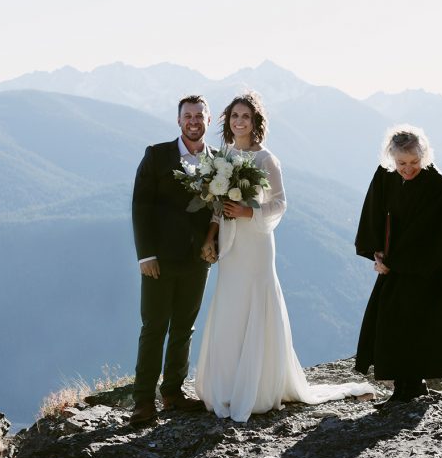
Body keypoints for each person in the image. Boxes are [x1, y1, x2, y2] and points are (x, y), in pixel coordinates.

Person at [194, 92, 374, 422]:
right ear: (228, 121)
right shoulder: (223, 156)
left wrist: (250, 211)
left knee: (255, 300)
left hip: (257, 241)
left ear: (255, 122)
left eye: (245, 117)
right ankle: (228, 384)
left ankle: (259, 386)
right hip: (231, 244)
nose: (239, 122)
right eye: (234, 116)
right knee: (231, 303)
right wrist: (212, 235)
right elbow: (217, 205)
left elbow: (280, 203)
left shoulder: (267, 160)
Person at [354, 125, 442, 406]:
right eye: (401, 163)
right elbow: (373, 214)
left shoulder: (437, 185)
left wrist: (393, 262)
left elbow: (431, 233)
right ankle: (401, 388)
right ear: (391, 158)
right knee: (389, 322)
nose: (408, 169)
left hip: (428, 267)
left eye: (414, 162)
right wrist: (376, 253)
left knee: (417, 323)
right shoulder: (385, 175)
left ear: (424, 156)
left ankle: (414, 386)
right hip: (393, 262)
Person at [129, 95, 214, 426]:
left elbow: (219, 211)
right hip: (159, 260)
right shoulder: (157, 155)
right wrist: (145, 254)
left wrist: (213, 244)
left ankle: (173, 393)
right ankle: (142, 401)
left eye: (199, 116)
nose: (193, 121)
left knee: (184, 327)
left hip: (197, 260)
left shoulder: (218, 161)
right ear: (179, 121)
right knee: (153, 327)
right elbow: (141, 206)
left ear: (207, 121)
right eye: (187, 116)